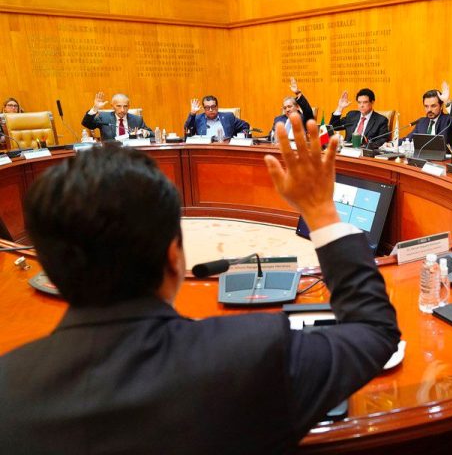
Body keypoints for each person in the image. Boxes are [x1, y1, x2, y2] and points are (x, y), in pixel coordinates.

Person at [0, 116, 400, 453]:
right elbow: (374, 332)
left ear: (50, 270)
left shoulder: (8, 388)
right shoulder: (250, 354)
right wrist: (321, 211)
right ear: (175, 255)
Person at [404, 82, 452, 150]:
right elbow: (407, 140)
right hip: (423, 156)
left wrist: (447, 102)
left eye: (433, 106)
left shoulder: (448, 120)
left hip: (444, 156)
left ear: (441, 106)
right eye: (426, 106)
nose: (429, 109)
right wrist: (394, 143)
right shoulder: (421, 122)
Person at [81, 92, 152, 141]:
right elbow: (87, 124)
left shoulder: (137, 119)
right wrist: (95, 108)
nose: (122, 110)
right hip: (111, 154)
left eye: (125, 106)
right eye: (118, 106)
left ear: (129, 107)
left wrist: (146, 132)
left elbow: (152, 134)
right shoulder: (104, 117)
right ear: (112, 106)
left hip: (131, 153)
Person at [184, 95, 250, 141]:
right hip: (205, 150)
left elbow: (245, 126)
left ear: (217, 107)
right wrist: (192, 114)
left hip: (225, 148)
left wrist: (238, 138)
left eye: (213, 106)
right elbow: (188, 130)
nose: (210, 110)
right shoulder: (198, 119)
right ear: (204, 109)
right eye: (207, 107)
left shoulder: (228, 117)